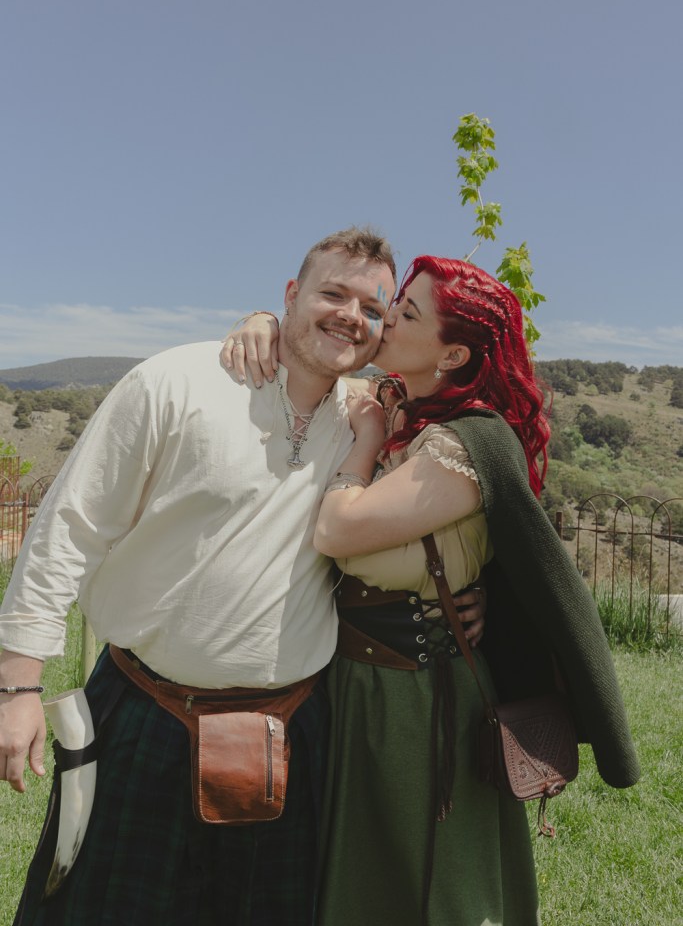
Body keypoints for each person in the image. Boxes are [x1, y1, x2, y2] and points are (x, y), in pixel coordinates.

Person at [2, 226, 456, 926]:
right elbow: (70, 527)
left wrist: (470, 600)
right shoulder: (175, 382)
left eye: (372, 308)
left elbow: (449, 502)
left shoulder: (372, 417)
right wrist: (18, 685)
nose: (351, 316)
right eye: (332, 294)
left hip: (292, 730)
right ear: (289, 294)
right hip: (144, 716)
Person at [226, 255, 640, 926]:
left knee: (431, 880)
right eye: (395, 304)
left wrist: (364, 441)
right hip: (351, 681)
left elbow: (337, 529)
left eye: (408, 313)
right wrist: (265, 321)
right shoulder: (399, 404)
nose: (387, 318)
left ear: (451, 354)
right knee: (358, 873)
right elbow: (319, 354)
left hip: (417, 696)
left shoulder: (464, 443)